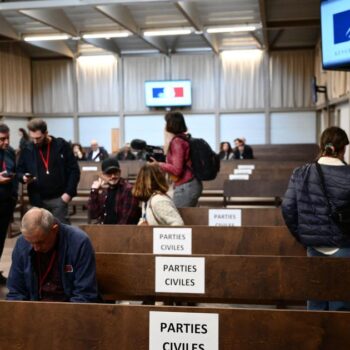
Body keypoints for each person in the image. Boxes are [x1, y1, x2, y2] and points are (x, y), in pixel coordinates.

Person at [282, 126, 350, 311]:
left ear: (322, 146)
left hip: (314, 246)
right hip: (344, 246)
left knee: (316, 302)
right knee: (341, 305)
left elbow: (288, 208)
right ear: (343, 148)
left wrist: (303, 236)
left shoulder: (301, 172)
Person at [7, 207, 99, 302]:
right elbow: (16, 291)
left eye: (40, 242)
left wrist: (58, 315)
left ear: (54, 229)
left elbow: (84, 294)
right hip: (34, 308)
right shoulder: (22, 242)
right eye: (31, 243)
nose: (35, 248)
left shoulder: (79, 242)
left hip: (69, 308)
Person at [17, 118, 80, 224]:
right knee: (41, 235)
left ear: (46, 133)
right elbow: (19, 170)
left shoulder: (61, 145)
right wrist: (23, 177)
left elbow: (74, 170)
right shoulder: (27, 149)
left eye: (38, 138)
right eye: (33, 138)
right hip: (37, 200)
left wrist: (68, 194)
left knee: (61, 232)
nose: (35, 142)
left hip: (59, 199)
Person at [150, 111, 202, 208]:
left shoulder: (177, 142)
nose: (165, 126)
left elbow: (177, 170)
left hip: (186, 186)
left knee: (177, 220)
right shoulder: (183, 138)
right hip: (189, 185)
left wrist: (158, 164)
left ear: (171, 124)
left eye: (166, 122)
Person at [88, 158, 141, 224]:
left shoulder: (128, 190)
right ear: (103, 175)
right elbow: (94, 215)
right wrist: (94, 191)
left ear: (120, 172)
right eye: (109, 173)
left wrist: (111, 233)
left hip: (122, 232)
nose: (113, 176)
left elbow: (126, 220)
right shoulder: (104, 191)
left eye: (115, 173)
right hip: (105, 230)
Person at [0, 123, 17, 285]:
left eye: (7, 138)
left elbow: (14, 172)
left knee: (1, 240)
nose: (5, 142)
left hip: (6, 203)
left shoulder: (9, 152)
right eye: (2, 139)